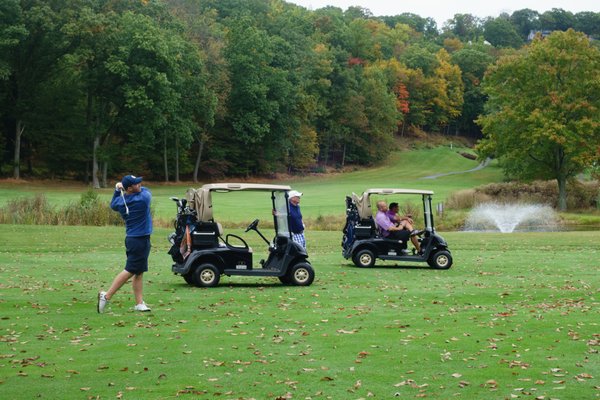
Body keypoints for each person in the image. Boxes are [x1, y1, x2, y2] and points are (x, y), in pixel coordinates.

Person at [98, 175, 152, 313]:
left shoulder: (121, 202)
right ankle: (107, 295)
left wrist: (117, 189)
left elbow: (113, 204)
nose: (140, 184)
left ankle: (139, 303)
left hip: (133, 239)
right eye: (136, 183)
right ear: (129, 188)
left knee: (138, 272)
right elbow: (146, 191)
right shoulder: (143, 199)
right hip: (139, 240)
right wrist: (122, 188)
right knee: (130, 270)